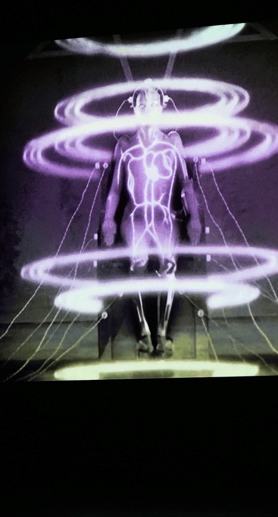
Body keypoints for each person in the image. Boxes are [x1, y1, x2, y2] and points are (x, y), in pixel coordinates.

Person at [100, 79, 201, 358]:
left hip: (164, 215)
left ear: (162, 107)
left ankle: (162, 333)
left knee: (169, 266)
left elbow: (186, 183)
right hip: (135, 215)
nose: (148, 108)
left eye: (154, 102)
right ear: (134, 108)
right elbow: (115, 189)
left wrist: (194, 216)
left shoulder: (172, 141)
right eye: (143, 103)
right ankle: (144, 332)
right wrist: (109, 219)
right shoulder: (124, 145)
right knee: (138, 264)